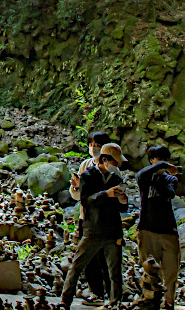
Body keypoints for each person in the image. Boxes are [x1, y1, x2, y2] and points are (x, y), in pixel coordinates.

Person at [62, 143, 128, 310]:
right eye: (115, 162)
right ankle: (65, 301)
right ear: (104, 160)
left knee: (114, 271)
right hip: (93, 230)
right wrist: (106, 194)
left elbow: (122, 208)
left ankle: (115, 302)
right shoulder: (88, 176)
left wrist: (122, 199)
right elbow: (86, 201)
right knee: (77, 266)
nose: (117, 165)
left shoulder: (116, 179)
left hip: (113, 231)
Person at [69, 131, 114, 303]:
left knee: (105, 258)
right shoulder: (85, 165)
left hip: (104, 220)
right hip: (85, 218)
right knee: (88, 259)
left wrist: (85, 189)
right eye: (91, 144)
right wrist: (75, 187)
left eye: (97, 145)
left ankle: (111, 294)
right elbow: (77, 196)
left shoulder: (112, 167)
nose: (93, 148)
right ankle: (96, 293)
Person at [136, 145, 181, 310]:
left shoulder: (170, 179)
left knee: (171, 270)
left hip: (168, 230)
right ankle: (149, 300)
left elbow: (169, 193)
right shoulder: (145, 177)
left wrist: (160, 175)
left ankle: (168, 302)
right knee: (149, 269)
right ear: (151, 161)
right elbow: (140, 176)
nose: (162, 162)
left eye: (165, 160)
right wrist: (158, 169)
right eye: (158, 159)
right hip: (147, 228)